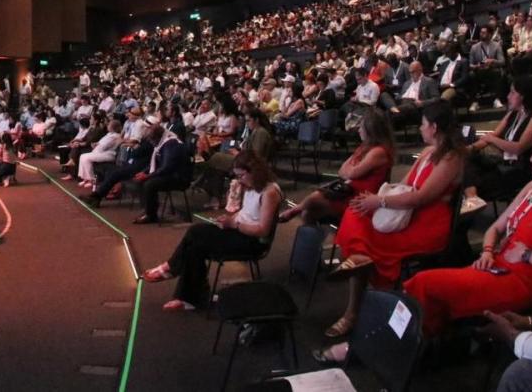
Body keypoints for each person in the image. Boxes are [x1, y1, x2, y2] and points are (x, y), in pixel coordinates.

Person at [404, 122, 532, 336]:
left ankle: (419, 346)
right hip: (499, 265)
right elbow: (495, 228)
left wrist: (527, 255)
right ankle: (431, 342)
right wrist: (487, 251)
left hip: (525, 281)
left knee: (425, 284)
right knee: (427, 286)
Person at [323, 101, 465, 339]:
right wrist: (378, 198)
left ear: (435, 127)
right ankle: (360, 265)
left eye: (423, 124)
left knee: (366, 242)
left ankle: (354, 308)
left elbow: (420, 197)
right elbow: (405, 185)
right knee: (356, 212)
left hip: (427, 222)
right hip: (409, 211)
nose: (420, 128)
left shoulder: (451, 158)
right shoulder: (429, 152)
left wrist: (379, 202)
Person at [141, 150, 281, 310]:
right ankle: (189, 298)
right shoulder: (251, 187)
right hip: (240, 231)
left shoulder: (270, 192)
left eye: (241, 176)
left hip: (252, 242)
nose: (239, 181)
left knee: (196, 233)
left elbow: (263, 230)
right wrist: (231, 219)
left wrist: (233, 224)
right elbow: (246, 214)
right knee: (195, 245)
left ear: (254, 172)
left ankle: (174, 272)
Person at [280, 106, 393, 225]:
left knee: (315, 198)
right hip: (349, 191)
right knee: (308, 213)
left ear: (371, 130)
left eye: (361, 126)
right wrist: (350, 170)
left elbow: (351, 173)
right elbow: (342, 171)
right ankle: (309, 233)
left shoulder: (378, 151)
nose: (359, 129)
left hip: (361, 198)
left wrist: (350, 170)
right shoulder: (364, 148)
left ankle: (294, 210)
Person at [463, 76, 532, 211]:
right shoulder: (513, 113)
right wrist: (471, 148)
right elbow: (493, 135)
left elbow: (518, 148)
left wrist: (491, 139)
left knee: (470, 179)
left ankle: (471, 200)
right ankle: (472, 198)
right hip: (504, 163)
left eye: (512, 92)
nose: (508, 96)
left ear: (523, 95)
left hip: (522, 167)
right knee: (464, 160)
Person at [77, 119, 123, 188]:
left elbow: (105, 146)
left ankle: (91, 180)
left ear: (113, 127)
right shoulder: (109, 134)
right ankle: (85, 178)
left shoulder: (116, 136)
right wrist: (95, 144)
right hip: (100, 152)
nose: (107, 125)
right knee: (82, 156)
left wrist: (97, 145)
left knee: (86, 158)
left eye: (109, 124)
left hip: (109, 154)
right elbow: (100, 143)